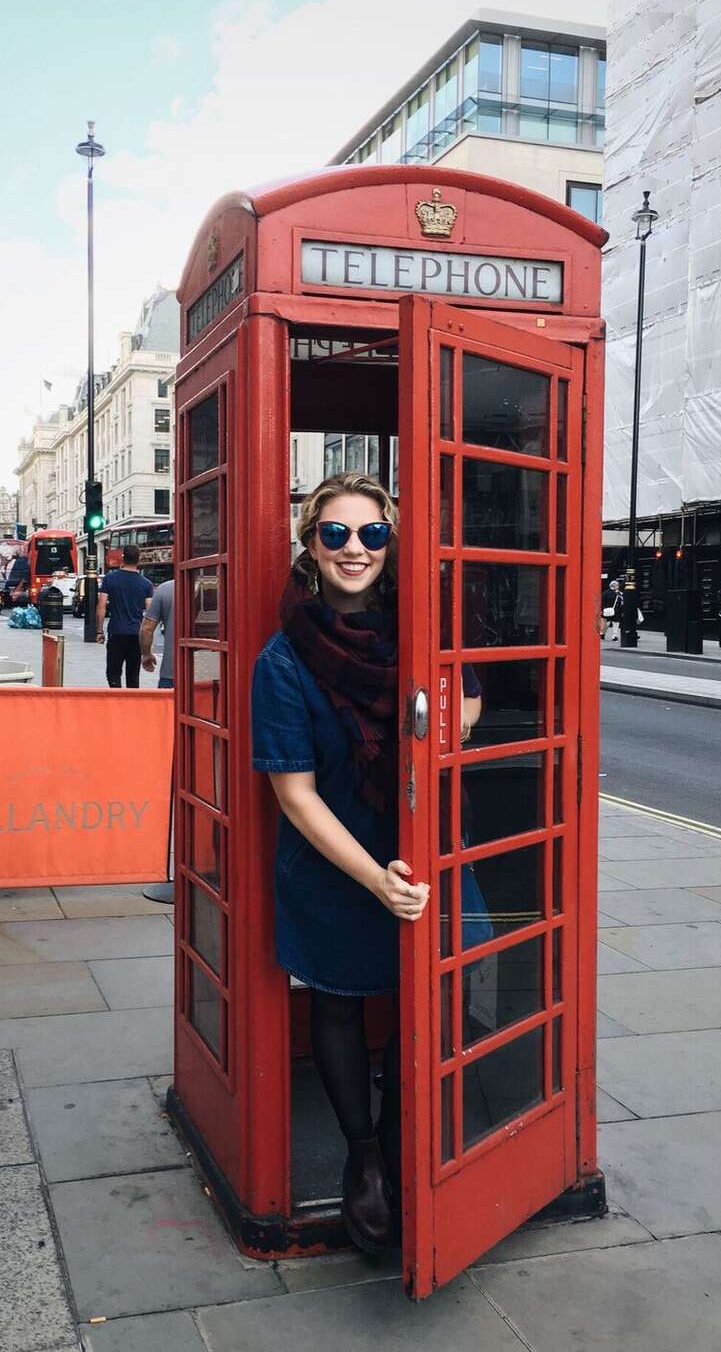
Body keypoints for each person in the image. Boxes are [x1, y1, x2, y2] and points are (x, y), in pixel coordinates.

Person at [251, 472, 481, 1256]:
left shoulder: (414, 630)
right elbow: (295, 794)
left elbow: (467, 698)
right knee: (342, 1004)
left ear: (392, 543)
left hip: (415, 856)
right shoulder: (283, 660)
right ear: (310, 548)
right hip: (334, 866)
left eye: (372, 534)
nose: (356, 549)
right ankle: (361, 1156)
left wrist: (446, 725)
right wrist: (373, 877)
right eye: (337, 534)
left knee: (424, 998)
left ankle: (395, 1133)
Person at [97, 546, 153, 688]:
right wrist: (148, 641)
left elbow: (101, 606)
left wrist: (99, 631)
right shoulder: (146, 584)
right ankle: (132, 706)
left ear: (123, 558)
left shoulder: (110, 579)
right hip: (136, 634)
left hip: (116, 632)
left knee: (113, 672)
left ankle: (116, 701)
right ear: (138, 559)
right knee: (133, 675)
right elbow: (150, 612)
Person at [141, 578, 175, 688]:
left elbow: (146, 629)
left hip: (171, 671)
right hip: (216, 673)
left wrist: (146, 654)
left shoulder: (165, 588)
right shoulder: (222, 587)